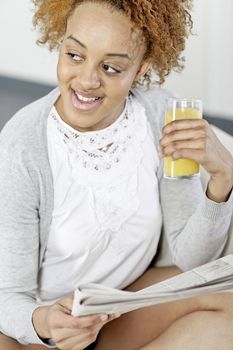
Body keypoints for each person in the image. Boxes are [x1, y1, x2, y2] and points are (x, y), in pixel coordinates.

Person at [0, 0, 233, 349]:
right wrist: (47, 322)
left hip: (114, 308)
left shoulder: (160, 115)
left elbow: (193, 259)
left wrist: (223, 177)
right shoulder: (23, 145)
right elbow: (9, 295)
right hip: (36, 327)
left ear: (142, 69)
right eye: (74, 55)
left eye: (110, 67)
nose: (87, 80)